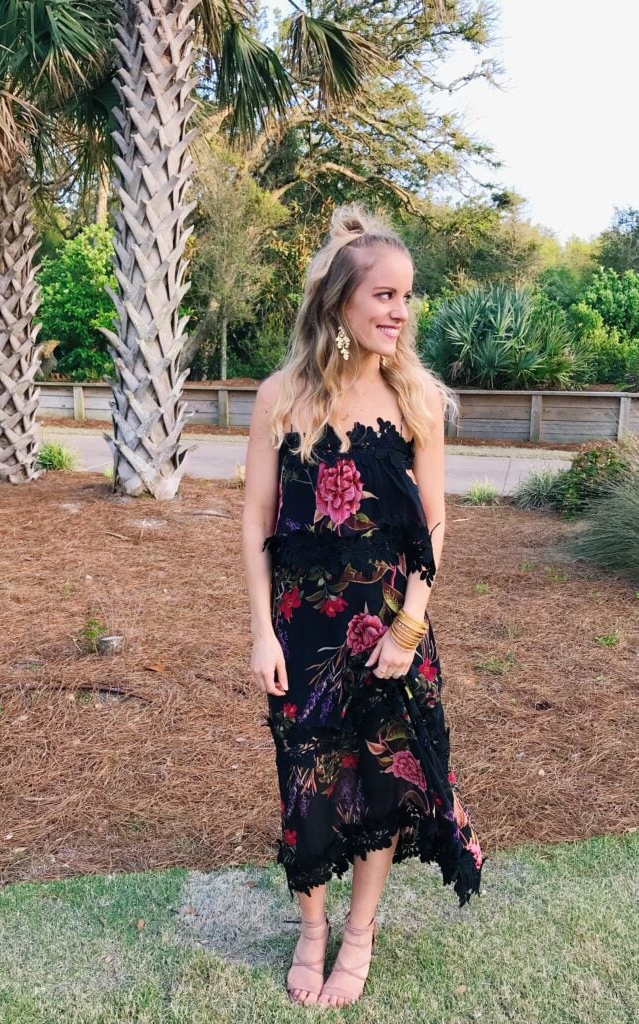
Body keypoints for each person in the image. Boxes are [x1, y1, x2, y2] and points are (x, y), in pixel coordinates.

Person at [241, 203, 486, 1007]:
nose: (400, 313)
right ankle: (311, 929)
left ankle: (359, 934)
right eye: (384, 295)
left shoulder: (415, 399)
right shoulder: (281, 397)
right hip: (303, 631)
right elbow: (254, 527)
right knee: (306, 783)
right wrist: (261, 634)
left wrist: (411, 629)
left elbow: (436, 525)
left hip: (390, 627)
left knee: (381, 784)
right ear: (339, 301)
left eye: (407, 297)